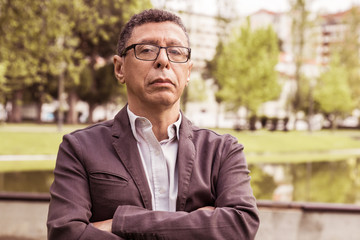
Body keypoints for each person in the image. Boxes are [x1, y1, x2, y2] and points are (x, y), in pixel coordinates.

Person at [47, 9, 259, 240]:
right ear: (120, 69)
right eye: (146, 50)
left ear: (188, 72)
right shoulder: (79, 148)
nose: (163, 60)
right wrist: (197, 226)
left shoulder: (223, 150)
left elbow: (240, 225)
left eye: (176, 52)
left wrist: (122, 222)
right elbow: (65, 234)